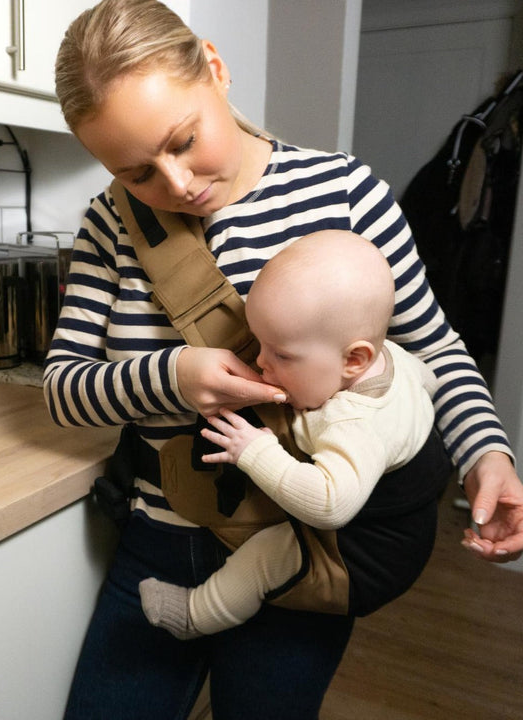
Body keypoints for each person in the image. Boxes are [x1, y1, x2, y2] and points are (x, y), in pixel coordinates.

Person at [44, 1, 523, 717]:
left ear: (214, 66)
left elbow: (432, 348)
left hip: (300, 551)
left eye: (184, 141)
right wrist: (174, 376)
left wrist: (488, 454)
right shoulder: (111, 225)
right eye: (137, 171)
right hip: (161, 538)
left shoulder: (346, 194)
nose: (176, 185)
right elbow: (62, 390)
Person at [138, 229, 450, 640]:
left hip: (361, 563)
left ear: (354, 360)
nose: (262, 362)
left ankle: (195, 614)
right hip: (402, 535)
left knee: (266, 554)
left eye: (281, 354)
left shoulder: (355, 424)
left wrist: (255, 451)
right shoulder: (396, 360)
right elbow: (427, 383)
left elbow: (328, 505)